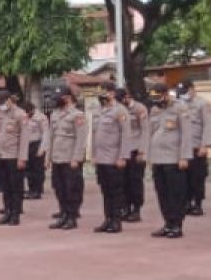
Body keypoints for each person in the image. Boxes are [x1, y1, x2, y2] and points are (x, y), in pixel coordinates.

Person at [146, 83, 193, 239]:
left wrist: (184, 156)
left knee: (176, 194)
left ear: (166, 94)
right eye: (153, 98)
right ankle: (168, 223)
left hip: (174, 159)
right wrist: (148, 156)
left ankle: (177, 225)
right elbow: (150, 133)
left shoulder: (180, 108)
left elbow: (186, 134)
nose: (156, 100)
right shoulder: (155, 110)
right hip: (158, 159)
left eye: (158, 97)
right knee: (162, 193)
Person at [90, 83, 133, 233]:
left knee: (115, 191)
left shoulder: (120, 111)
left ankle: (116, 221)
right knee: (105, 191)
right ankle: (107, 219)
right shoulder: (100, 111)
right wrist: (93, 155)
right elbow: (95, 135)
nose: (101, 95)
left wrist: (123, 157)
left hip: (114, 158)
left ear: (112, 93)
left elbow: (126, 135)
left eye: (104, 92)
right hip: (101, 158)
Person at [48, 85, 88, 230]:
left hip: (70, 157)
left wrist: (76, 158)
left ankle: (72, 217)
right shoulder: (55, 114)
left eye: (60, 98)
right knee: (59, 188)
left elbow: (81, 138)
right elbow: (51, 137)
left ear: (68, 98)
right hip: (57, 157)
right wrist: (48, 157)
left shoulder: (77, 115)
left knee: (71, 188)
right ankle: (63, 214)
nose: (57, 101)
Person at [0, 91, 29, 226]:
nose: (1, 105)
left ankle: (15, 215)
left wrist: (22, 158)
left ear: (9, 100)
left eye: (2, 102)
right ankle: (7, 212)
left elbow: (24, 138)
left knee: (15, 187)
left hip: (14, 156)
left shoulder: (20, 114)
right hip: (1, 155)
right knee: (5, 187)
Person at [179, 79, 211, 216]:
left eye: (186, 91)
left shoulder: (203, 104)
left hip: (197, 146)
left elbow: (207, 125)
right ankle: (187, 202)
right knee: (184, 178)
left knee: (197, 177)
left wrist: (205, 145)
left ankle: (198, 204)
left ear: (192, 89)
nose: (184, 94)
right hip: (183, 147)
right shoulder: (179, 104)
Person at [119, 87, 149, 222]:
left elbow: (145, 131)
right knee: (123, 181)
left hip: (136, 150)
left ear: (127, 97)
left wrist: (142, 151)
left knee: (135, 181)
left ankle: (136, 209)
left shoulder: (139, 108)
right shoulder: (119, 110)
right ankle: (125, 207)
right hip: (123, 150)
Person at [22, 100, 48, 199]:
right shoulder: (25, 117)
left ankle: (37, 190)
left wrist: (42, 148)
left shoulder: (40, 117)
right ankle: (31, 188)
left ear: (31, 110)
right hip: (27, 145)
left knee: (37, 169)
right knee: (28, 169)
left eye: (27, 111)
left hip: (37, 144)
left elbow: (45, 133)